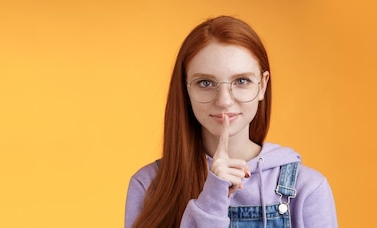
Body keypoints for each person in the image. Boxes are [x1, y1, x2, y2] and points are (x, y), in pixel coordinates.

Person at [125, 15, 338, 228]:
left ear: (262, 86)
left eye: (241, 81)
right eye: (205, 82)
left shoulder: (307, 188)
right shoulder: (148, 185)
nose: (224, 101)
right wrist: (211, 199)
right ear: (185, 89)